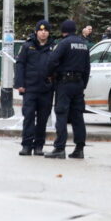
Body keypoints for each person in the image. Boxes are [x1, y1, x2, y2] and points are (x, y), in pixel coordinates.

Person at [45, 20, 90, 159]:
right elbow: (88, 67)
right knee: (78, 117)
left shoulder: (64, 43)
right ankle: (79, 148)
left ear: (63, 31)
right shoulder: (83, 44)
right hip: (78, 84)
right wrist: (83, 85)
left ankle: (59, 148)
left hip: (64, 84)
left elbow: (52, 61)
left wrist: (49, 75)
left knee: (61, 114)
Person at [15, 20, 55, 156]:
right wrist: (20, 84)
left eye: (46, 30)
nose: (43, 33)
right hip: (30, 88)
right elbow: (20, 65)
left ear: (49, 33)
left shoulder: (53, 47)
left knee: (43, 119)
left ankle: (39, 146)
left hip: (46, 89)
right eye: (41, 30)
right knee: (29, 117)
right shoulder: (27, 46)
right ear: (36, 31)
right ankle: (26, 145)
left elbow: (57, 67)